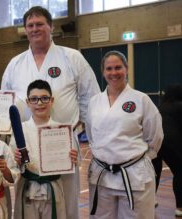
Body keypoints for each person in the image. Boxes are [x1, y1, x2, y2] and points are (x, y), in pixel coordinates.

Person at [1, 6, 100, 218]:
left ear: (51, 27)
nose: (35, 29)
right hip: (24, 143)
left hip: (61, 143)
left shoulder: (72, 58)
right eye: (30, 25)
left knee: (66, 200)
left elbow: (90, 99)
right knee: (26, 201)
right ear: (25, 30)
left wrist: (81, 129)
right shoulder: (15, 64)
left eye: (40, 24)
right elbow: (5, 107)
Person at [85, 50, 163, 219]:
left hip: (134, 175)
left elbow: (155, 137)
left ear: (126, 69)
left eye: (118, 67)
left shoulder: (141, 100)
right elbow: (91, 136)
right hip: (102, 175)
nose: (114, 73)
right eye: (109, 68)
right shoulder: (94, 102)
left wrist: (139, 159)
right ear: (103, 72)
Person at [10, 79, 78, 219]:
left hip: (53, 189)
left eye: (44, 98)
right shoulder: (19, 130)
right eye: (34, 99)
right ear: (28, 102)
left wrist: (73, 159)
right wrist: (16, 159)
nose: (39, 103)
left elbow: (74, 164)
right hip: (28, 190)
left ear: (51, 100)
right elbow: (12, 166)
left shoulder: (63, 130)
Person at [157, 84, 182, 217]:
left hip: (155, 142)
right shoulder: (179, 106)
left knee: (154, 173)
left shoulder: (159, 107)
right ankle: (180, 207)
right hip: (172, 143)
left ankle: (151, 200)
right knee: (180, 172)